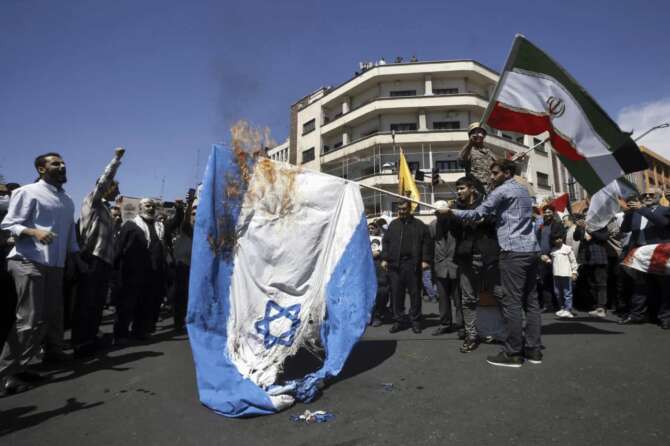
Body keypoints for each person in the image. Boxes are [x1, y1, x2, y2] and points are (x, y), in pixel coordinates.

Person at [439, 159, 541, 367]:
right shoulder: (523, 190)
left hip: (512, 252)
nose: (492, 177)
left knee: (511, 303)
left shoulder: (501, 192)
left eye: (495, 173)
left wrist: (451, 212)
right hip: (531, 250)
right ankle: (533, 350)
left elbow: (478, 213)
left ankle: (513, 353)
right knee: (531, 303)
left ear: (506, 172)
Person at [0, 153, 79, 394]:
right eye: (56, 163)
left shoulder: (67, 200)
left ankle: (24, 366)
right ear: (41, 169)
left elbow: (70, 235)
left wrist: (75, 257)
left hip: (55, 265)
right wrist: (34, 233)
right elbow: (8, 224)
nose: (62, 166)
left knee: (47, 317)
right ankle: (5, 376)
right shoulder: (28, 191)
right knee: (29, 319)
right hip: (28, 260)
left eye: (64, 163)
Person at [73, 148, 125, 357]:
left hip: (104, 262)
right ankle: (80, 343)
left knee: (96, 304)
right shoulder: (93, 201)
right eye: (115, 187)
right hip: (91, 258)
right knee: (86, 302)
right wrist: (116, 159)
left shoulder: (106, 211)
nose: (116, 191)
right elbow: (104, 180)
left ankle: (90, 339)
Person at [113, 198, 167, 343]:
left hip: (152, 273)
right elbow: (119, 248)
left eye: (153, 206)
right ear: (141, 208)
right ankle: (121, 334)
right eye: (147, 206)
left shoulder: (159, 226)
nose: (150, 208)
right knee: (127, 304)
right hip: (133, 273)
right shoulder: (130, 225)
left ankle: (140, 331)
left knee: (146, 303)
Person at [618, 189, 670, 328]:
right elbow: (625, 228)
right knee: (640, 286)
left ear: (659, 197)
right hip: (640, 255)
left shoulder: (665, 210)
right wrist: (628, 213)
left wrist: (641, 209)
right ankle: (637, 315)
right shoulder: (636, 212)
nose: (647, 196)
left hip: (659, 254)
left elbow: (663, 223)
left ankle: (665, 318)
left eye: (651, 195)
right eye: (644, 195)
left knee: (665, 287)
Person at [381, 200, 432, 334]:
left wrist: (426, 260)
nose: (401, 212)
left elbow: (427, 243)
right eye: (399, 209)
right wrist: (384, 258)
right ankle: (399, 320)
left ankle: (415, 321)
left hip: (413, 265)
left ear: (410, 209)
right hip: (395, 265)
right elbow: (385, 242)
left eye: (404, 209)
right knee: (397, 294)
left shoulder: (419, 225)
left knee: (415, 294)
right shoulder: (393, 225)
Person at [430, 200, 461, 337]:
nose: (438, 215)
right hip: (440, 266)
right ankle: (445, 324)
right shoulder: (432, 226)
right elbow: (430, 246)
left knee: (459, 299)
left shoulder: (456, 224)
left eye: (441, 213)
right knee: (443, 299)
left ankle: (462, 326)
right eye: (436, 213)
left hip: (456, 266)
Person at [169, 191, 196, 332]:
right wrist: (190, 203)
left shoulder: (202, 231)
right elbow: (185, 221)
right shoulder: (187, 228)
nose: (195, 215)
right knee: (181, 295)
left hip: (194, 268)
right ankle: (178, 322)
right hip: (182, 267)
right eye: (193, 213)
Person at [573, 217, 609, 318]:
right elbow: (576, 237)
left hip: (599, 257)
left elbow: (604, 237)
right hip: (587, 259)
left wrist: (589, 229)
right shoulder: (583, 225)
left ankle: (601, 307)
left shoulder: (601, 223)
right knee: (591, 284)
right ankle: (595, 306)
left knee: (601, 283)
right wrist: (578, 227)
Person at [536, 205, 566, 311]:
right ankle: (547, 305)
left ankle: (559, 304)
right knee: (545, 282)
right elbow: (538, 241)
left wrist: (550, 254)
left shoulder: (558, 224)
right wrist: (540, 254)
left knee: (557, 281)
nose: (547, 214)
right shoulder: (541, 226)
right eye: (545, 212)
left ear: (553, 213)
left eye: (549, 212)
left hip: (554, 255)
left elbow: (560, 240)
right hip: (542, 257)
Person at [459, 123, 499, 194]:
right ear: (470, 135)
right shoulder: (468, 150)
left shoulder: (489, 151)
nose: (478, 135)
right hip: (477, 188)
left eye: (481, 132)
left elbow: (499, 166)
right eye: (475, 132)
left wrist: (513, 160)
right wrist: (470, 143)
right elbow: (462, 160)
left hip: (493, 187)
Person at [549, 234, 578, 318]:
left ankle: (568, 309)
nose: (558, 240)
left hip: (566, 274)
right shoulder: (553, 250)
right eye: (556, 239)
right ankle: (562, 308)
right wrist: (547, 260)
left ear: (562, 239)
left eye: (559, 238)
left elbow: (573, 261)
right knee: (557, 292)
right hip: (556, 274)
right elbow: (553, 262)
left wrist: (574, 272)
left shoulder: (568, 249)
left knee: (567, 293)